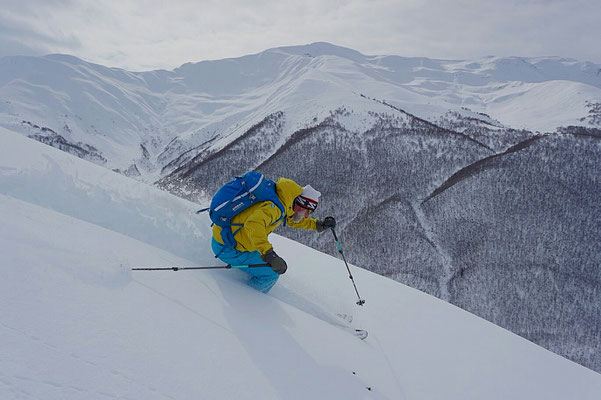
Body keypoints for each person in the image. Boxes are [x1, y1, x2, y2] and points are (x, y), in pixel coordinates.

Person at [211, 177, 336, 293]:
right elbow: (253, 224)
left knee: (265, 265)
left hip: (225, 238)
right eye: (307, 211)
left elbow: (292, 220)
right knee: (270, 274)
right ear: (301, 205)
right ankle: (247, 301)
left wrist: (318, 225)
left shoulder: (281, 200)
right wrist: (268, 254)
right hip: (229, 248)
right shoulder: (274, 208)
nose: (307, 215)